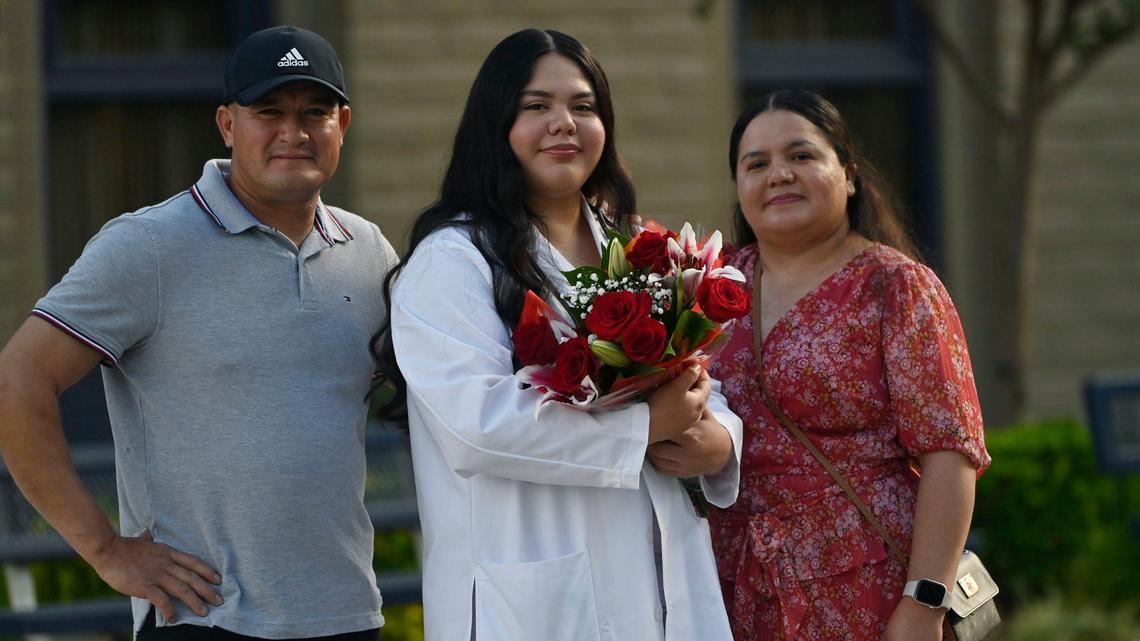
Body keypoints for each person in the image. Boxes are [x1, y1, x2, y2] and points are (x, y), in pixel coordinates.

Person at [0, 26, 397, 640]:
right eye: (269, 112)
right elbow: (17, 381)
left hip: (345, 614)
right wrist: (106, 550)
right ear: (227, 124)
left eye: (314, 112)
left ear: (342, 123)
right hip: (204, 617)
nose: (293, 132)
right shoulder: (149, 246)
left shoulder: (367, 251)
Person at [375, 29, 742, 641]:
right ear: (496, 124)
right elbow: (479, 425)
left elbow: (704, 380)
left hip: (656, 567)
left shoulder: (634, 249)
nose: (563, 123)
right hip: (534, 592)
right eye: (536, 106)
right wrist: (644, 429)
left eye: (583, 106)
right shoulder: (453, 262)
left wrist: (718, 441)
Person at [707, 89, 991, 641]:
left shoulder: (896, 286)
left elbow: (949, 455)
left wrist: (924, 604)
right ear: (739, 187)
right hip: (734, 587)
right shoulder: (713, 287)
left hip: (868, 586)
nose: (779, 175)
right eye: (756, 163)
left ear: (850, 175)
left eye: (802, 156)